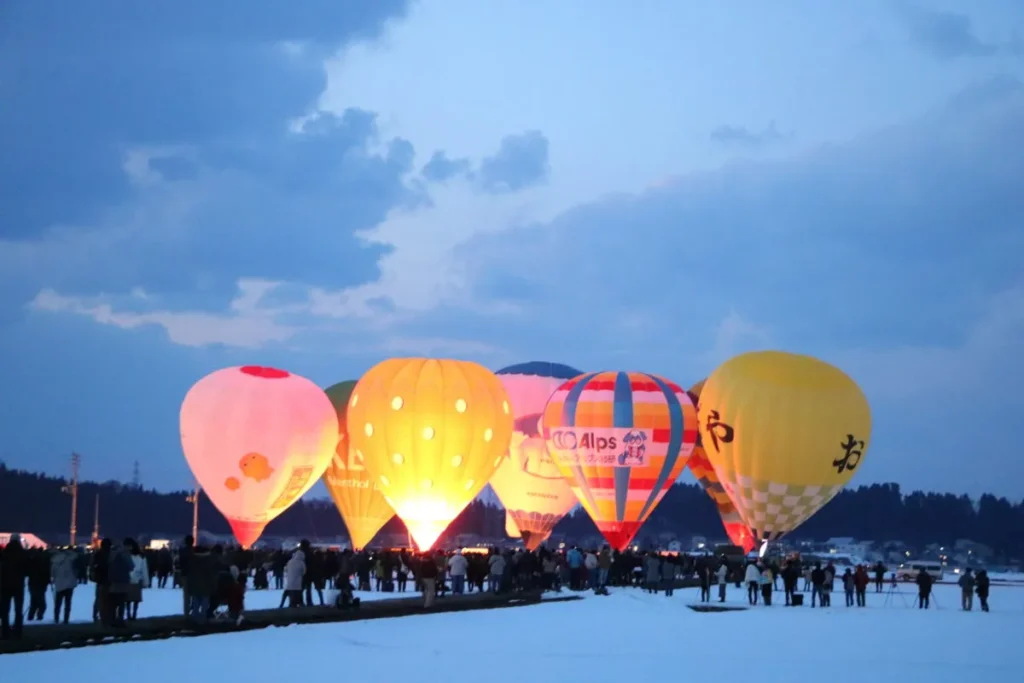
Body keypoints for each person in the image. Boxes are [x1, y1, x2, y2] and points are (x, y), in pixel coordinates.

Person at [0, 534, 27, 640]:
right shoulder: (23, 554)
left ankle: (5, 632)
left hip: (5, 585)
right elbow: (27, 569)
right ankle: (18, 632)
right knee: (18, 609)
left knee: (5, 610)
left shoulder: (4, 553)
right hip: (18, 585)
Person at [51, 547, 78, 625]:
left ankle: (56, 619)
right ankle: (66, 619)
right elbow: (76, 556)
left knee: (58, 603)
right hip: (69, 584)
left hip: (59, 584)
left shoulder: (55, 561)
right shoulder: (70, 559)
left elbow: (52, 573)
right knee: (68, 603)